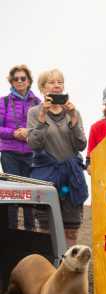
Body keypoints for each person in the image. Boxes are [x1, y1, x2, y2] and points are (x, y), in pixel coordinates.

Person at [27, 68, 87, 246]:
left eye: (59, 82)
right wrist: (42, 117)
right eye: (51, 82)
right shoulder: (34, 112)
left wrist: (74, 118)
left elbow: (81, 145)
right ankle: (49, 270)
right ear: (43, 88)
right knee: (46, 228)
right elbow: (34, 144)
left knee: (71, 229)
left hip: (71, 176)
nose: (56, 86)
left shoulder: (73, 112)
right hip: (46, 176)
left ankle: (68, 269)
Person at [0, 64, 40, 230]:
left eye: (23, 78)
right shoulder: (4, 102)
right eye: (16, 78)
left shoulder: (38, 103)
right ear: (11, 81)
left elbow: (43, 128)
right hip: (10, 153)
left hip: (31, 154)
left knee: (31, 194)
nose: (20, 81)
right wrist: (13, 133)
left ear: (29, 80)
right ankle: (12, 231)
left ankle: (31, 231)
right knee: (12, 195)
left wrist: (28, 132)